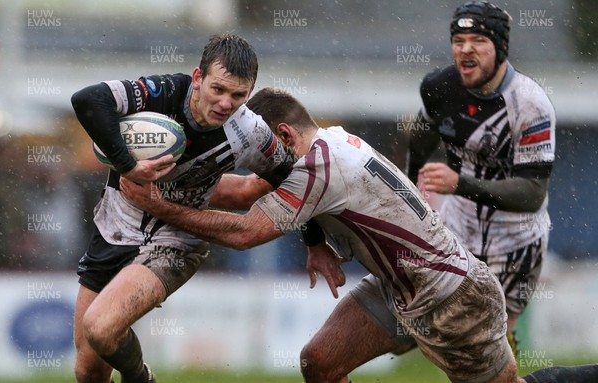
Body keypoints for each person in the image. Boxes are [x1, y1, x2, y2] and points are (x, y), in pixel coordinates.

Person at [120, 88, 597, 383]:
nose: (258, 162)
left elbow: (246, 232)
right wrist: (170, 177)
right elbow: (247, 191)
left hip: (452, 296)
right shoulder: (328, 142)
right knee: (321, 364)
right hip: (398, 289)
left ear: (283, 135)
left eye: (260, 150)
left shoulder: (318, 166)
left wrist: (159, 205)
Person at [70, 34, 295, 383]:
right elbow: (87, 99)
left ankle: (140, 378)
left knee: (100, 328)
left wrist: (314, 242)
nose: (225, 103)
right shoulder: (162, 93)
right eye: (217, 90)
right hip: (114, 229)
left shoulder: (250, 131)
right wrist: (127, 164)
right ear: (198, 78)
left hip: (173, 243)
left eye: (238, 95)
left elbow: (293, 180)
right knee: (88, 371)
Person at [406, 1, 556, 355]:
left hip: (516, 244)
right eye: (458, 40)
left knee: (490, 347)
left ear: (500, 48)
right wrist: (410, 189)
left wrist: (460, 183)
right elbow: (420, 139)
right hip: (457, 230)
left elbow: (532, 193)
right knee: (448, 340)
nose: (465, 49)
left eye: (478, 40)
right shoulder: (439, 87)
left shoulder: (531, 104)